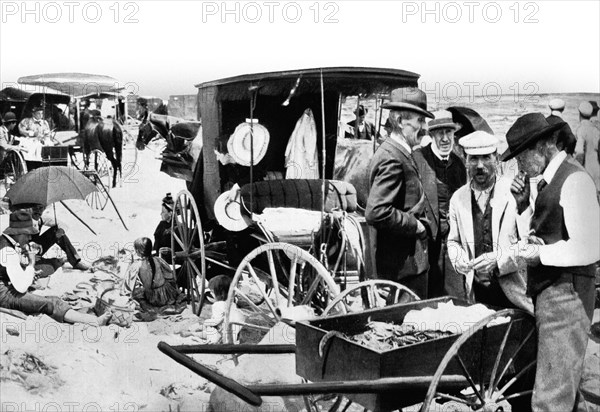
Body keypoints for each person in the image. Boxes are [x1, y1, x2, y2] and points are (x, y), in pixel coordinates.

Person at [503, 112, 599, 412]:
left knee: (550, 400)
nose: (518, 165)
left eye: (520, 155)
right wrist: (522, 207)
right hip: (552, 294)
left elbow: (591, 247)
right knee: (570, 390)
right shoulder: (547, 182)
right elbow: (546, 230)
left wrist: (540, 254)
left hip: (566, 295)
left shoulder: (575, 179)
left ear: (543, 145)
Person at [446, 131, 532, 312]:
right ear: (464, 160)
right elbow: (453, 241)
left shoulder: (515, 192)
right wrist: (458, 259)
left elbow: (530, 244)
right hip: (477, 298)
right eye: (473, 159)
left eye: (486, 158)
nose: (479, 166)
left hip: (515, 295)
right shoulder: (457, 199)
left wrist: (499, 260)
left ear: (498, 159)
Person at [365, 87, 436, 298]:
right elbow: (376, 211)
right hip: (401, 268)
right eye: (419, 121)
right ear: (398, 120)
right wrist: (416, 225)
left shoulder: (398, 152)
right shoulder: (392, 158)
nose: (424, 128)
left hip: (405, 265)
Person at [0, 210, 111, 325]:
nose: (29, 238)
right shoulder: (7, 250)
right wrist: (31, 264)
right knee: (50, 303)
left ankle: (82, 317)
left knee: (50, 299)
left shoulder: (4, 242)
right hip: (3, 294)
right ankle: (95, 321)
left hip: (5, 288)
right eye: (28, 234)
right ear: (19, 233)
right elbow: (21, 287)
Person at [413, 110, 467, 298]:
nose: (445, 139)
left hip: (451, 244)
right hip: (426, 243)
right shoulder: (418, 160)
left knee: (455, 297)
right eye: (439, 133)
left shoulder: (459, 165)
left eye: (449, 133)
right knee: (428, 297)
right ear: (431, 135)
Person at [13, 204, 90, 271]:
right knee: (50, 265)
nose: (38, 211)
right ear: (30, 209)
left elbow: (62, 224)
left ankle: (75, 261)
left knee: (56, 230)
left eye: (41, 208)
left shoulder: (41, 218)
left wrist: (60, 231)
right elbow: (16, 244)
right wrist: (28, 255)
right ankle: (58, 261)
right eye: (35, 208)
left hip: (37, 248)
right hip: (24, 253)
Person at [124, 237, 184, 308]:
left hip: (153, 299)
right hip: (166, 295)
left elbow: (129, 285)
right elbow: (169, 276)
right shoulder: (158, 260)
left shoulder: (137, 266)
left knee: (136, 293)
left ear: (137, 251)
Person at [183, 274, 244, 343]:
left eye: (212, 292)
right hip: (234, 331)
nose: (211, 294)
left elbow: (216, 321)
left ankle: (194, 335)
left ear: (221, 294)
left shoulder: (218, 305)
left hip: (225, 334)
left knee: (210, 331)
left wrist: (206, 322)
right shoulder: (232, 303)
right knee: (210, 329)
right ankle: (195, 332)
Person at [574, 101, 600, 192]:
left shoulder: (581, 129)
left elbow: (579, 152)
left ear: (580, 114)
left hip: (587, 171)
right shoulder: (596, 129)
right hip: (597, 170)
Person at [153, 193, 174, 257]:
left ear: (170, 213)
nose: (161, 214)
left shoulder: (177, 227)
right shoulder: (161, 225)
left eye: (163, 212)